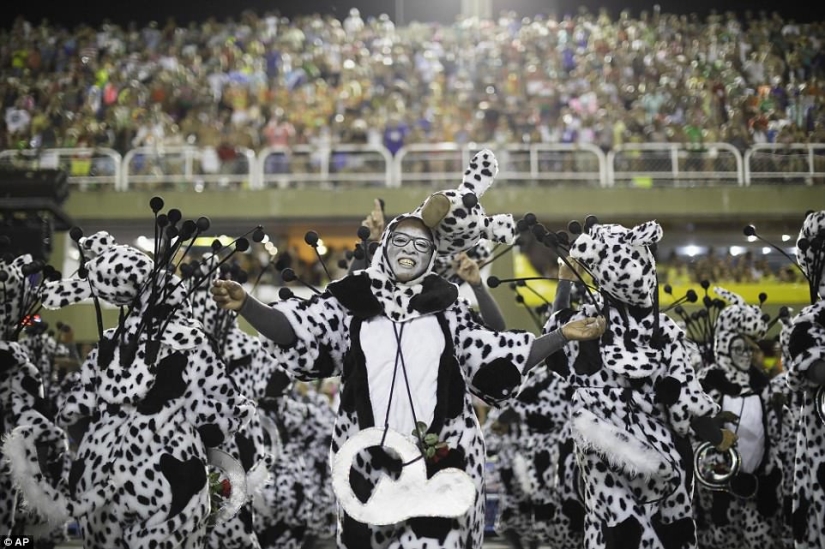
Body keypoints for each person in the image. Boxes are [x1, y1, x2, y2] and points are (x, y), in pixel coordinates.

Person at [212, 205, 605, 549]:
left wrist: (560, 336)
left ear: (431, 256)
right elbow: (297, 331)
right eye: (401, 241)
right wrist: (248, 306)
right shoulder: (350, 304)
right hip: (365, 467)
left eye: (421, 245)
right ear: (385, 247)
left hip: (441, 463)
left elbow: (498, 357)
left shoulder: (448, 311)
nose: (409, 250)